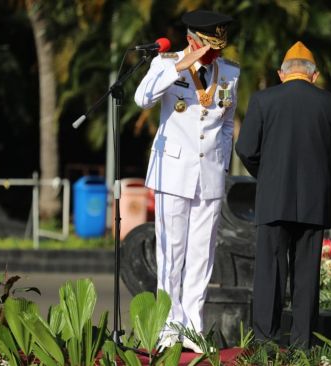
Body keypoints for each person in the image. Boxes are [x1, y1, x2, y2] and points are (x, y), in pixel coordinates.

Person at [235, 41, 331, 347]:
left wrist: (269, 176)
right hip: (313, 204)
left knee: (269, 275)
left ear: (281, 74)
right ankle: (302, 347)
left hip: (273, 201)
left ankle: (265, 343)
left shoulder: (263, 101)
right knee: (306, 279)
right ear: (314, 76)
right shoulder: (329, 103)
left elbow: (246, 149)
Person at [134, 9, 240, 352]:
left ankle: (193, 326)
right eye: (208, 49)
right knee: (171, 251)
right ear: (192, 41)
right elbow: (141, 98)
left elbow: (226, 123)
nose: (215, 56)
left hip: (209, 174)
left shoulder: (230, 73)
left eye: (218, 50)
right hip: (173, 172)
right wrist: (180, 65)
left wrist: (221, 161)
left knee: (201, 254)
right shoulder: (166, 65)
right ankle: (169, 325)